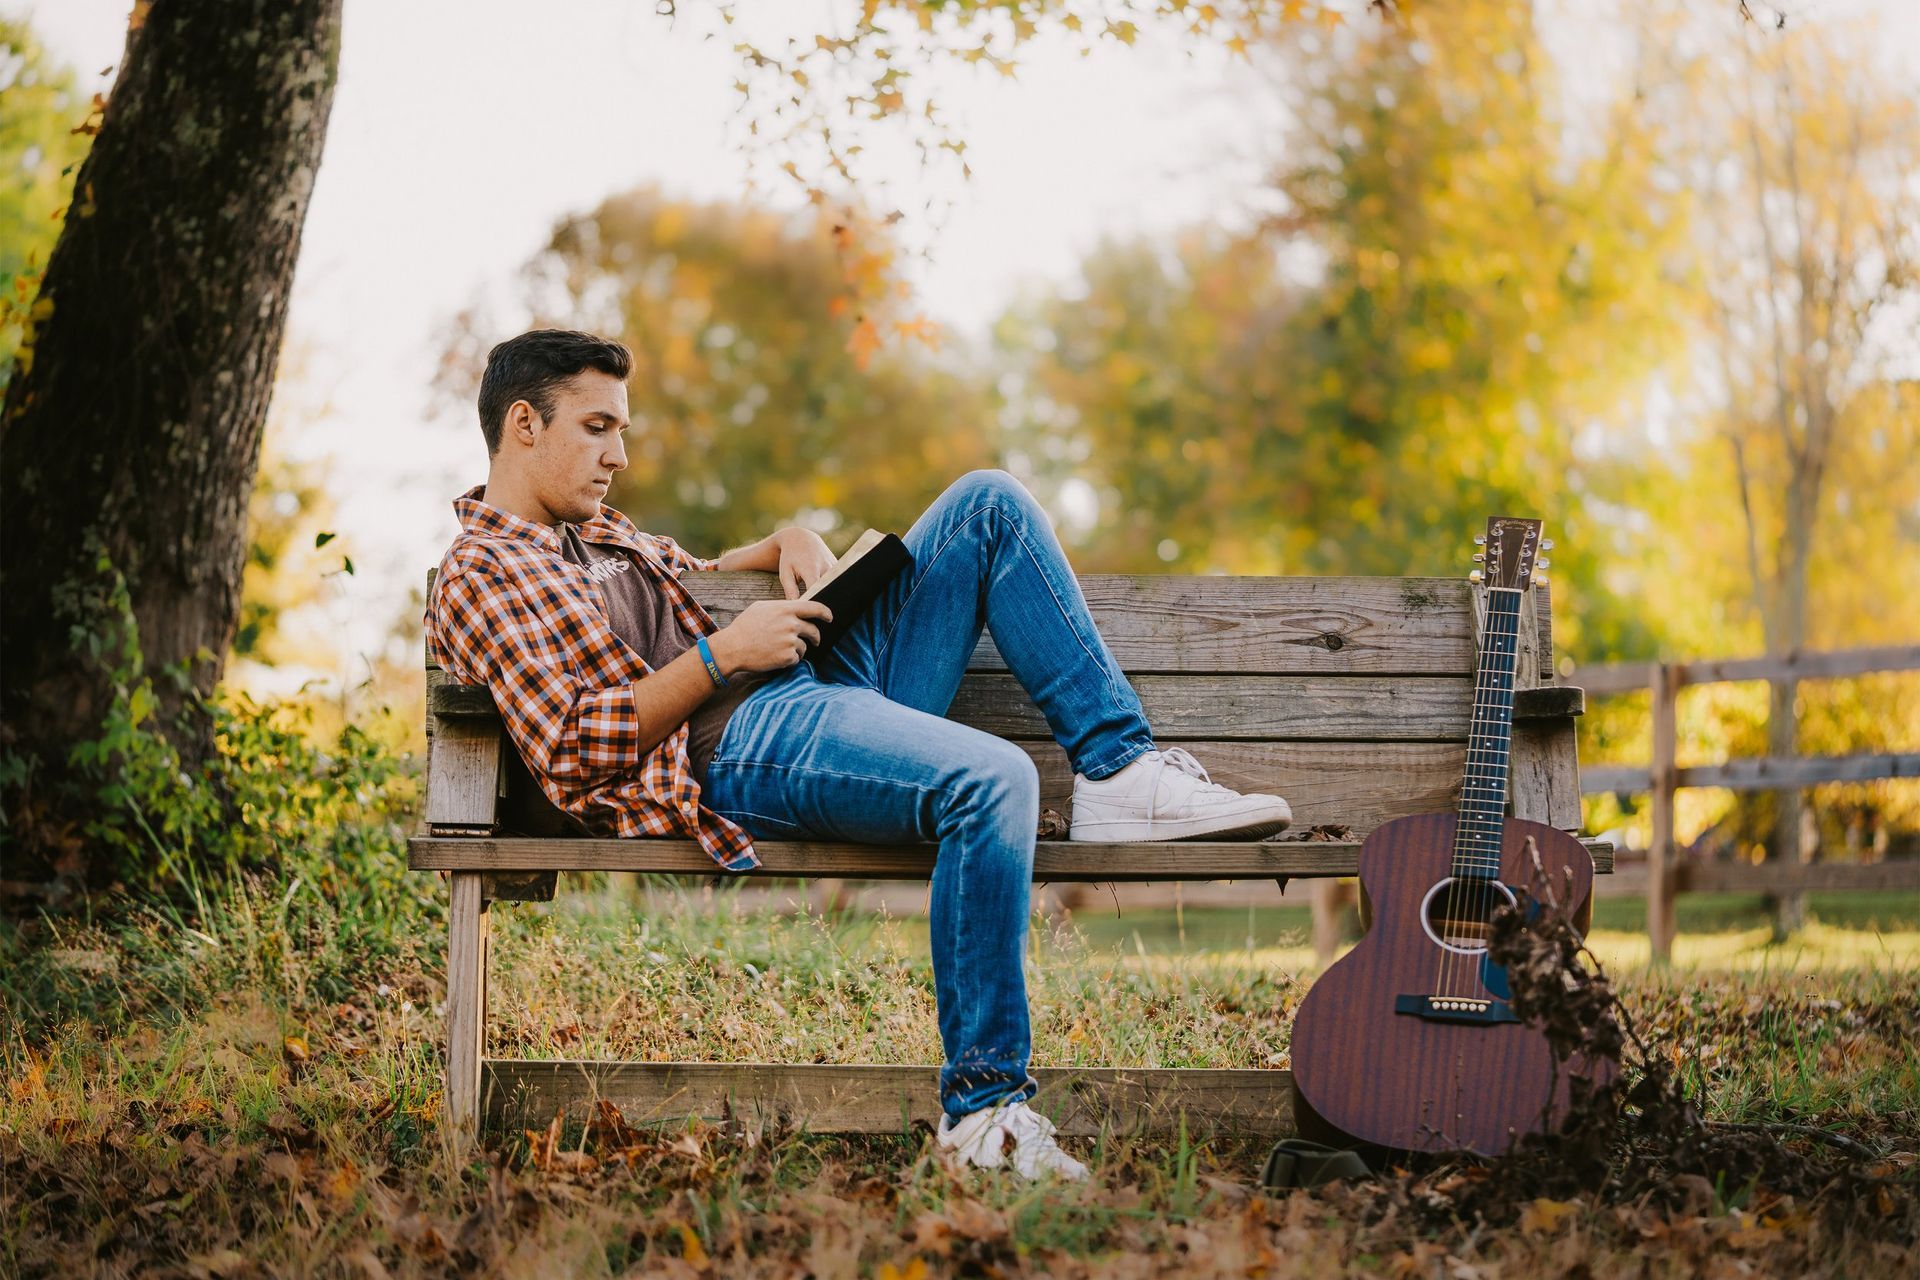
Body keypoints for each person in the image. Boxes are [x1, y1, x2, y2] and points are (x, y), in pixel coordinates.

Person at [425, 329, 1293, 1182]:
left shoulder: (598, 533)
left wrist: (783, 543)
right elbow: (573, 748)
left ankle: (1116, 771)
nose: (619, 453)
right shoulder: (481, 574)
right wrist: (725, 657)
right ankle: (984, 1113)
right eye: (597, 427)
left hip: (804, 693)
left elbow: (693, 573)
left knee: (987, 504)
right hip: (733, 750)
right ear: (524, 425)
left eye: (622, 429)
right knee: (994, 781)